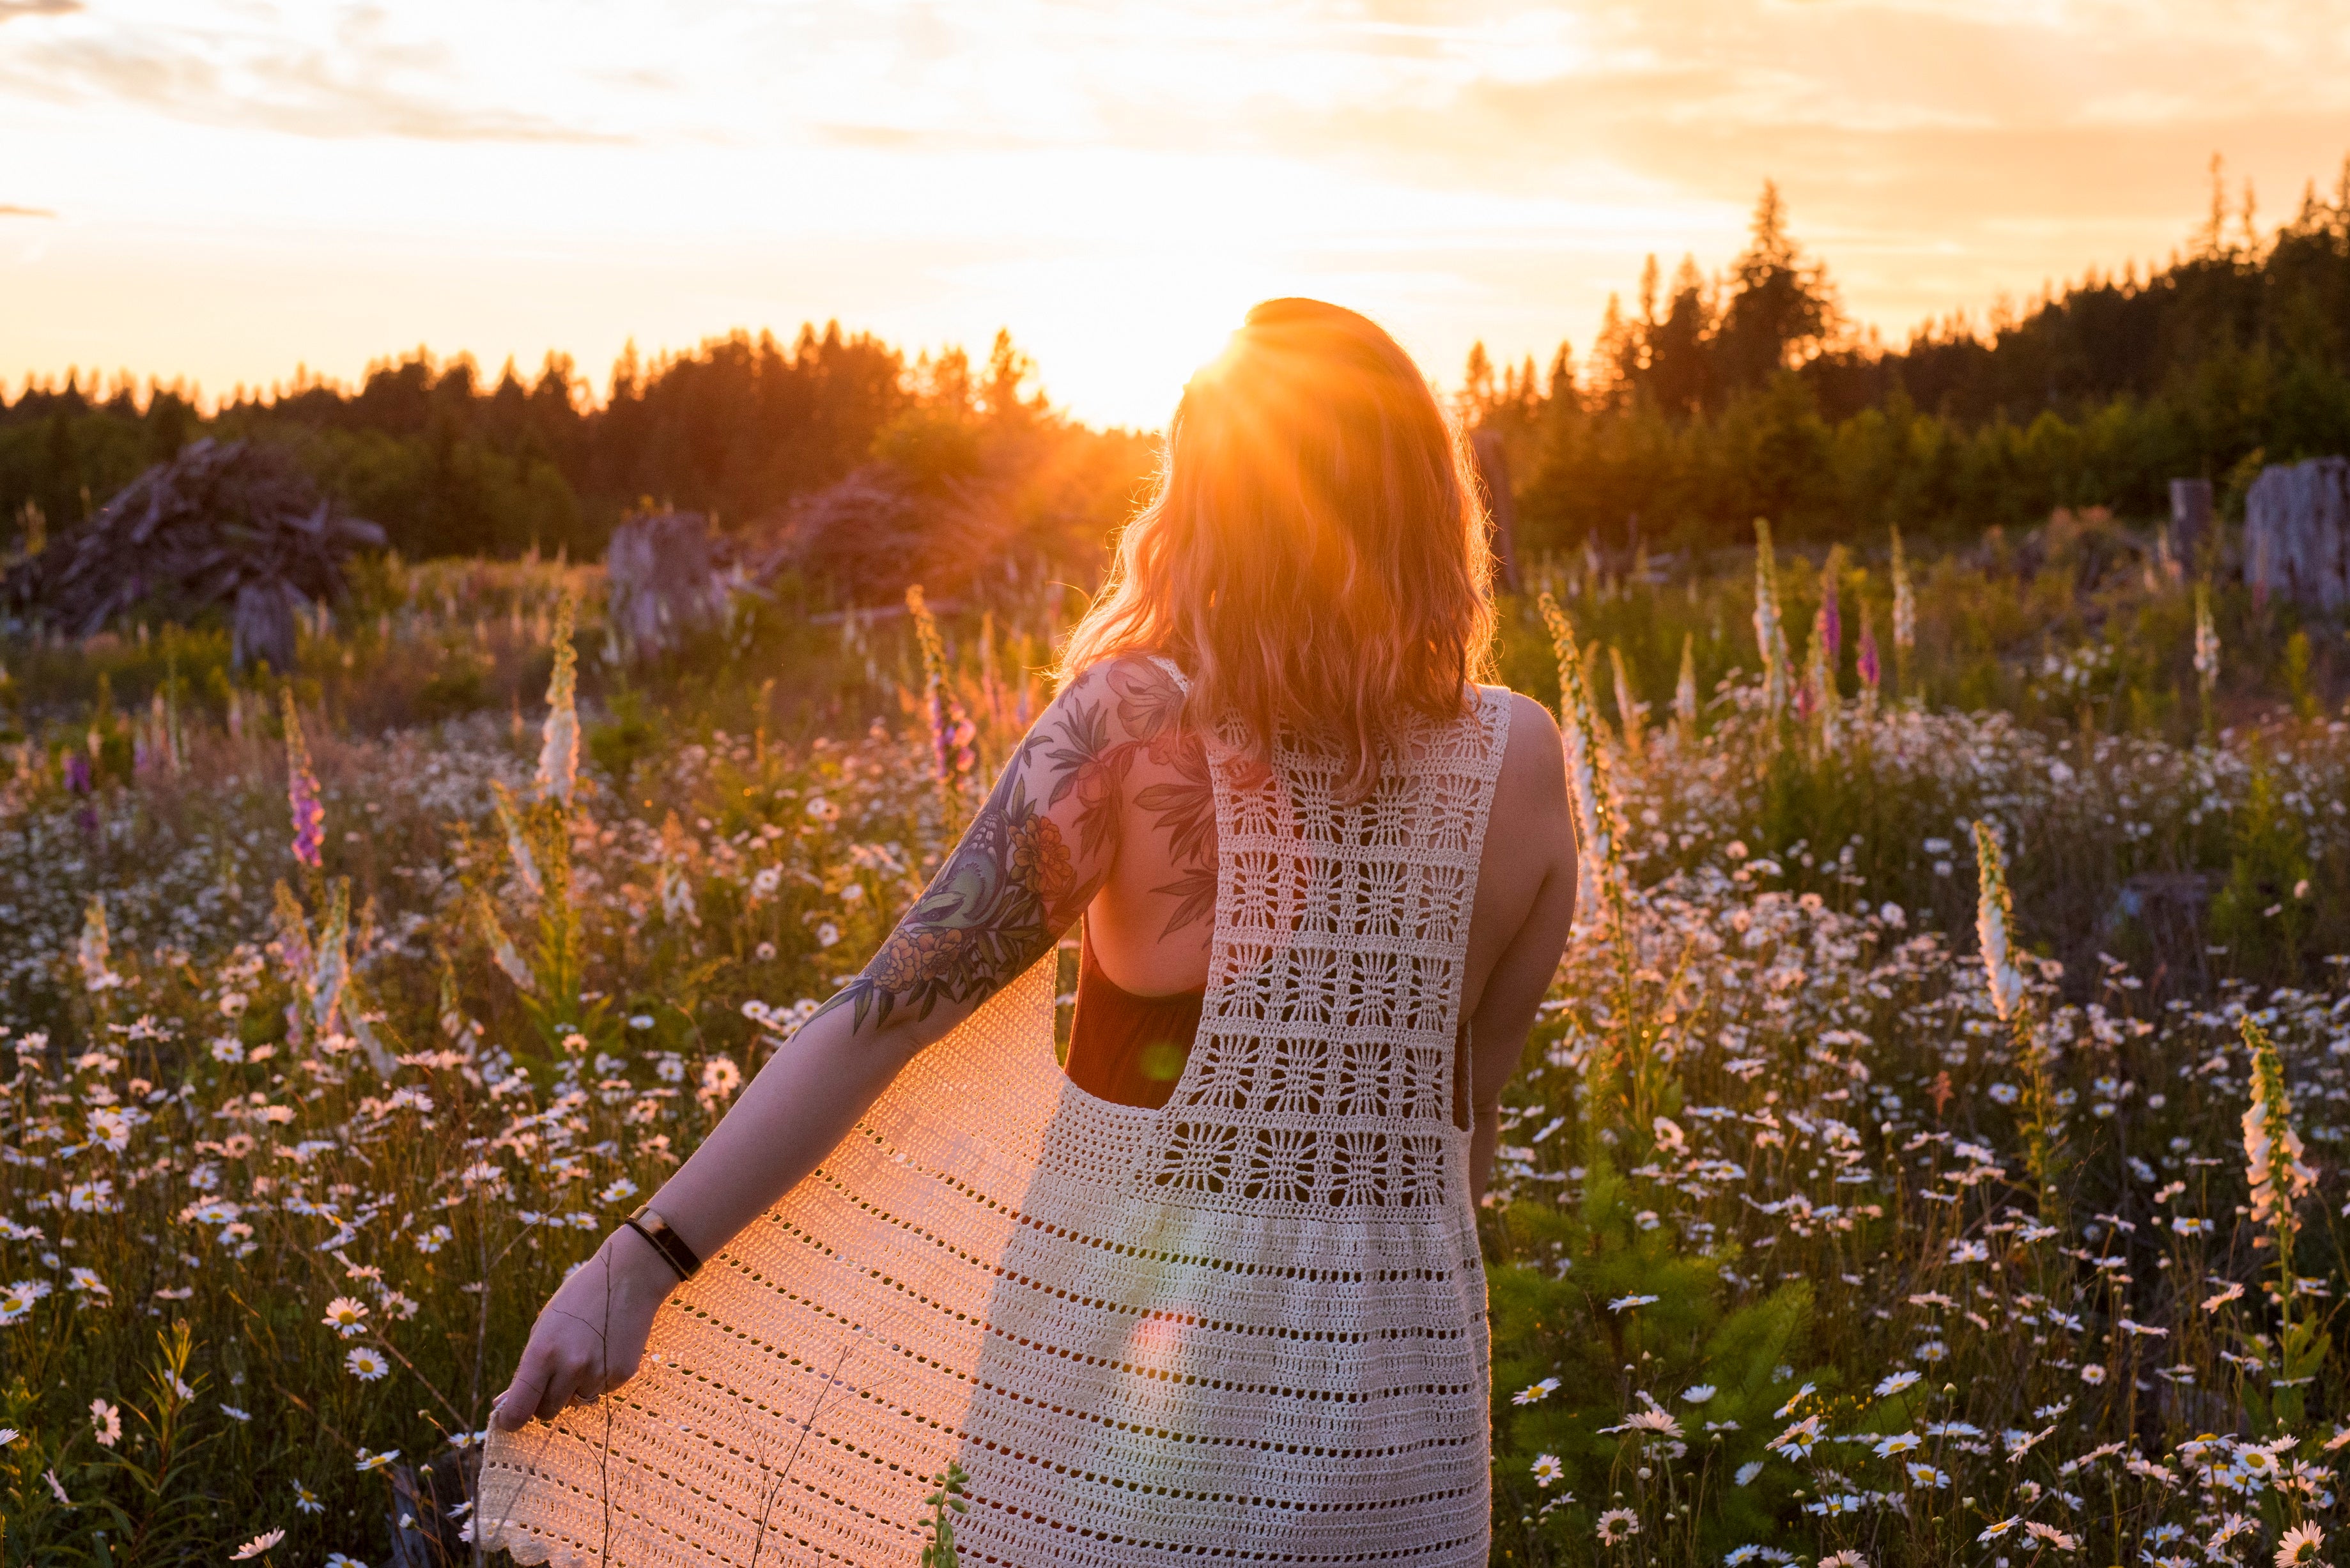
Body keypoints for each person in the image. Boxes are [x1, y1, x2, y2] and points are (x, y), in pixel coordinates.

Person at [479, 298, 1576, 1567]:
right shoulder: (1523, 757)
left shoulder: (1132, 723)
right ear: (1426, 500)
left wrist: (642, 1261)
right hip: (1405, 1434)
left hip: (1128, 1431)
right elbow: (1456, 1137)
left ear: (1208, 492)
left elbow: (884, 1014)